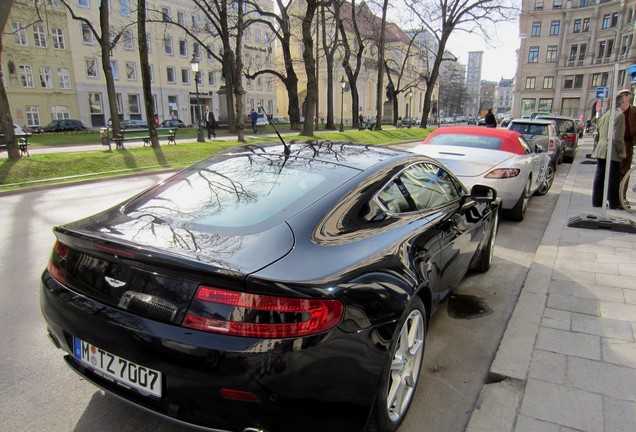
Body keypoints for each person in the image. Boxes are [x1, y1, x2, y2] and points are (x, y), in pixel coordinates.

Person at [591, 92, 629, 209]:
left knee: (600, 175)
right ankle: (613, 202)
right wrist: (622, 151)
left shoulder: (606, 114)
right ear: (621, 103)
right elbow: (617, 136)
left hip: (602, 149)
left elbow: (598, 132)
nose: (627, 105)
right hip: (611, 151)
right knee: (613, 177)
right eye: (627, 102)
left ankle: (597, 200)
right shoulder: (619, 115)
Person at [617, 89, 636, 205]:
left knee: (625, 171)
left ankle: (622, 196)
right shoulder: (616, 111)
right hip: (616, 144)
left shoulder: (634, 111)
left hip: (628, 143)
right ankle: (614, 196)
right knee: (615, 170)